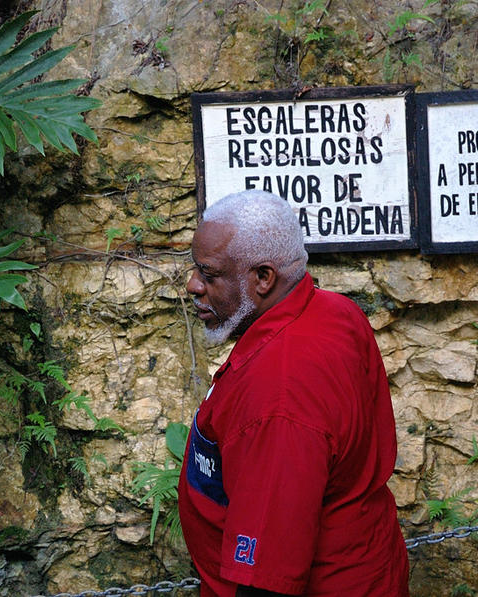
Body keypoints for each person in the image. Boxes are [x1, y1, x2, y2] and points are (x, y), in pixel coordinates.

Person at [178, 189, 409, 597]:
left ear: (263, 278)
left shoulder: (279, 396)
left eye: (209, 275)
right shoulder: (334, 310)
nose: (193, 284)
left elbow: (270, 576)